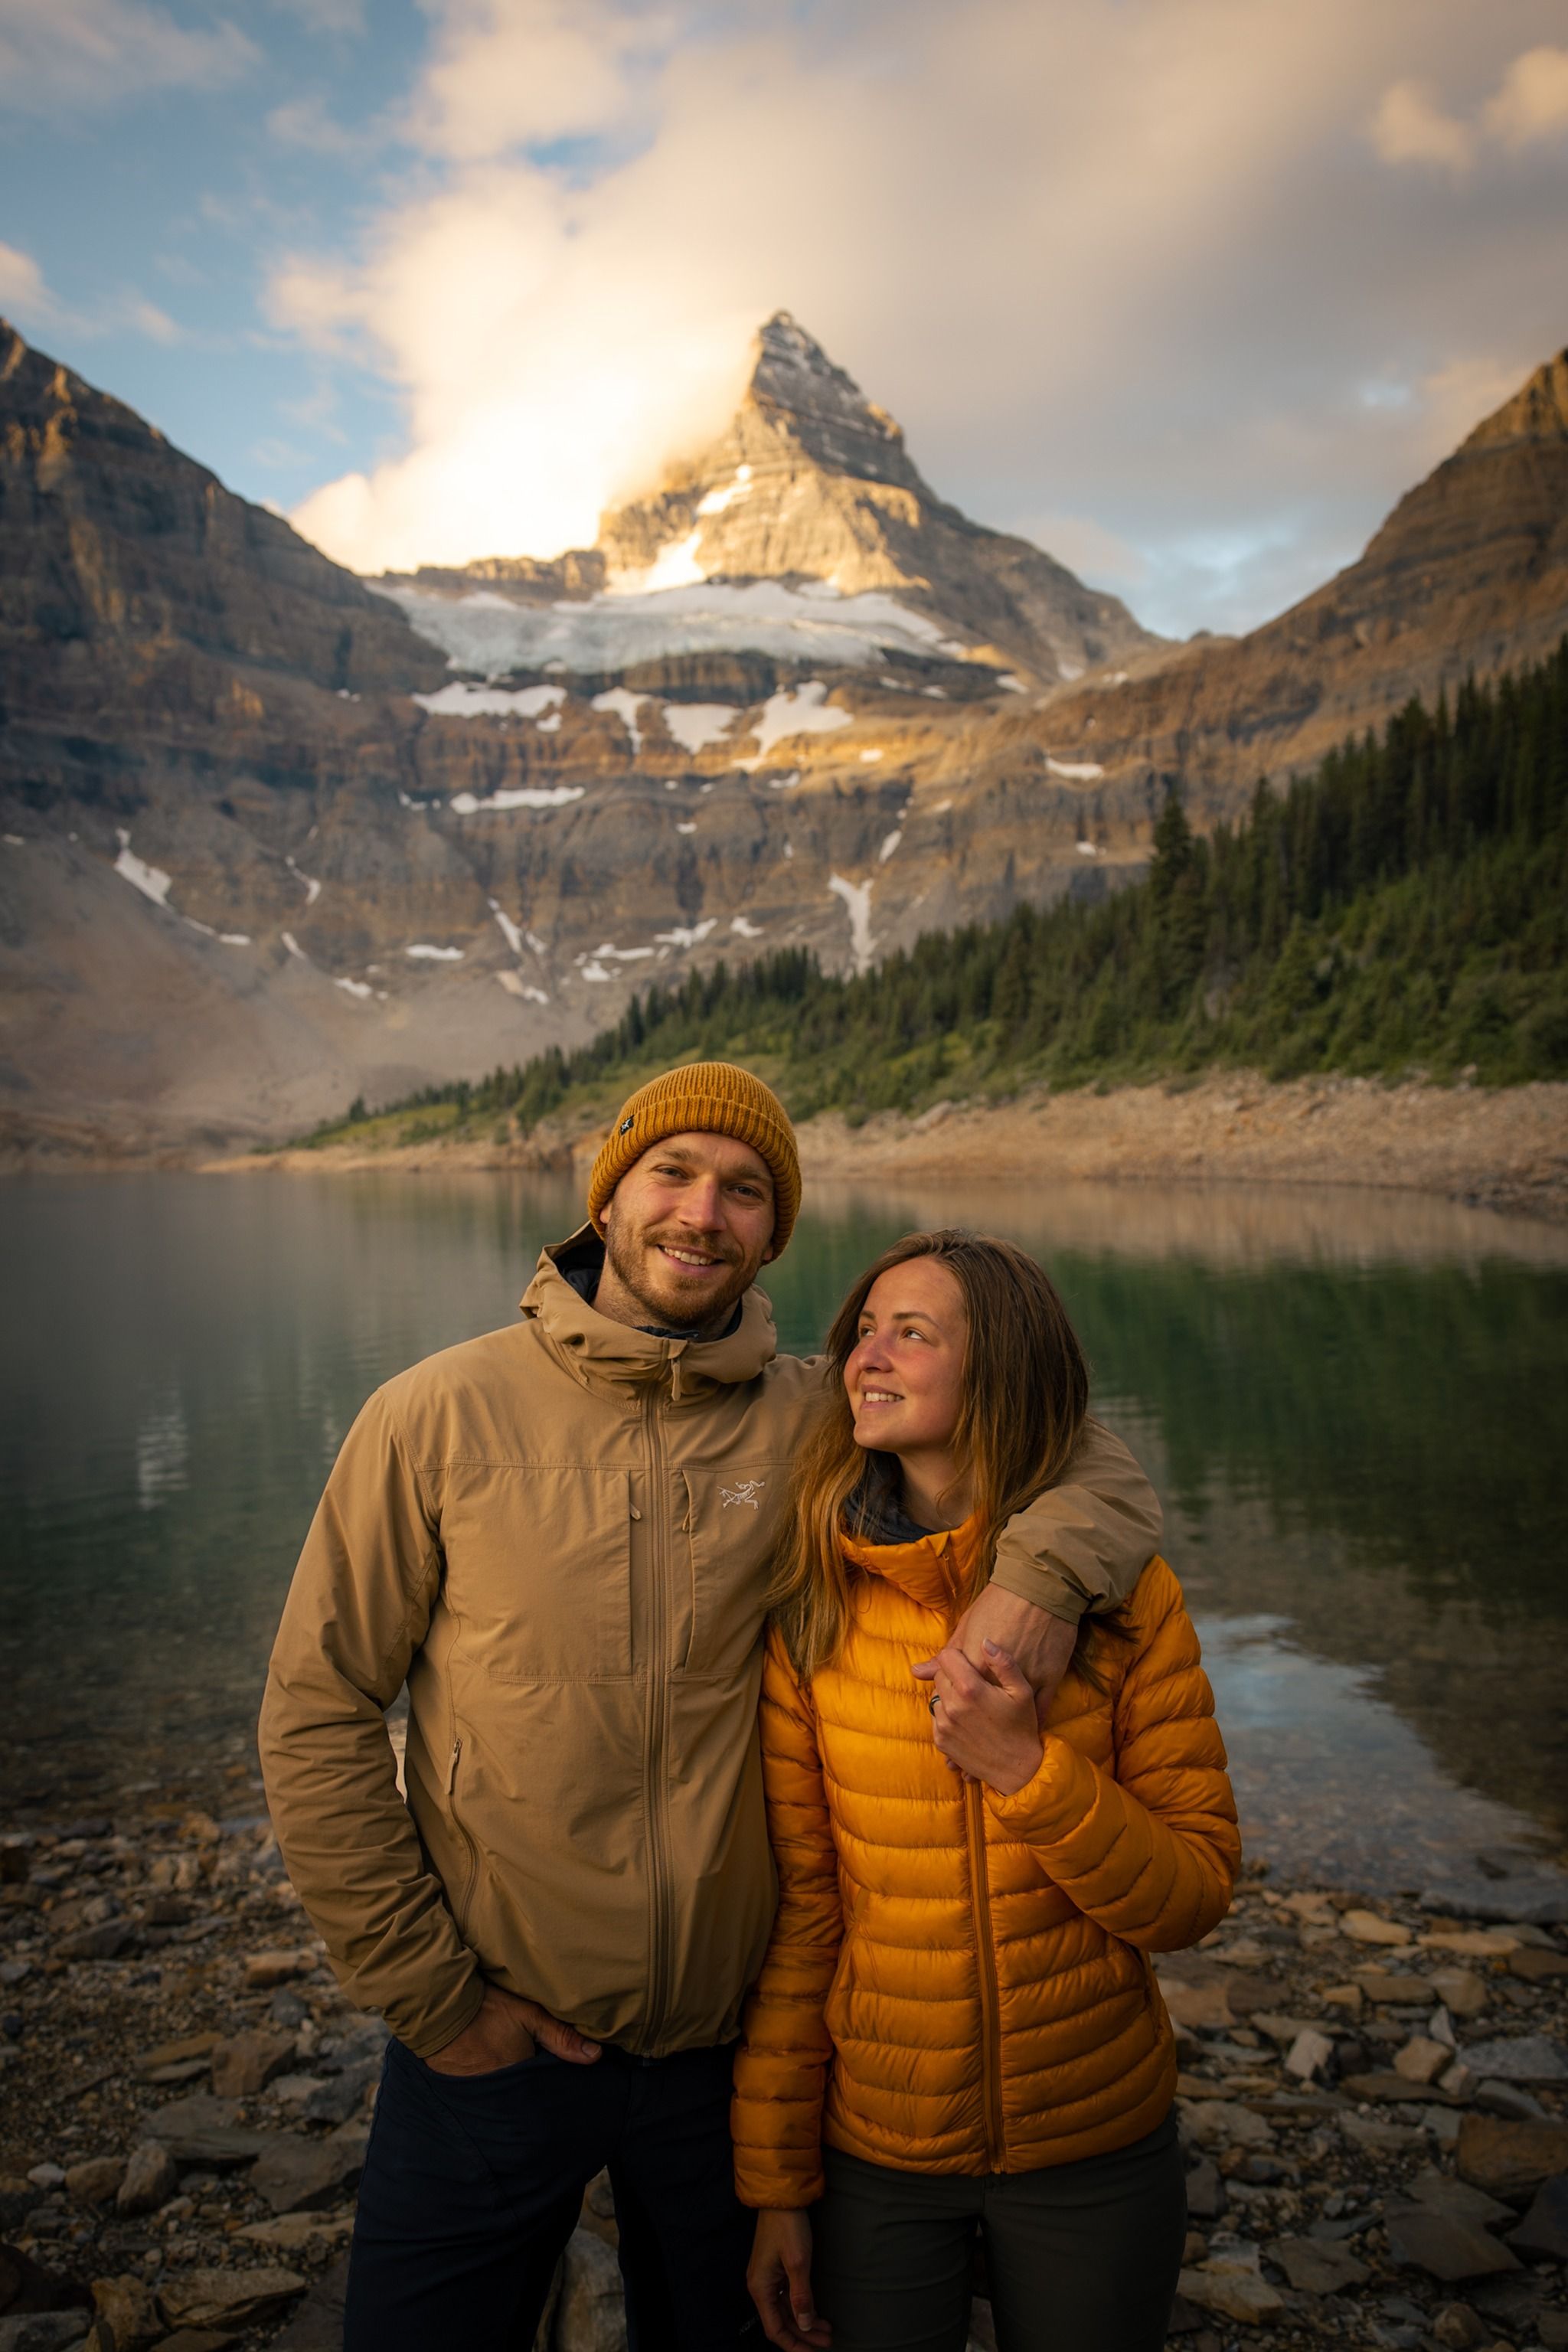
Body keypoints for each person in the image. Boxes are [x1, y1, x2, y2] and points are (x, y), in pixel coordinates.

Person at [258, 1066, 1167, 2352]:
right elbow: (317, 1707)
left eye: (746, 1191)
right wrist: (434, 1998)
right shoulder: (434, 1416)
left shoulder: (816, 1420)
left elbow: (1079, 1451)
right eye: (672, 1174)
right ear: (608, 1198)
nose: (704, 1212)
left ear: (774, 1232)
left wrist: (1036, 1581)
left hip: (728, 2062)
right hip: (493, 2041)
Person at [735, 1229, 1240, 2352]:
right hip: (880, 2155)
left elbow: (1194, 1897)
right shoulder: (815, 1605)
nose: (868, 1356)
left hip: (1094, 2148)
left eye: (912, 1333)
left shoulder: (1125, 1599)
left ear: (1003, 1366)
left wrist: (1032, 1775)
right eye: (865, 1329)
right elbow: (807, 1916)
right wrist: (776, 2184)